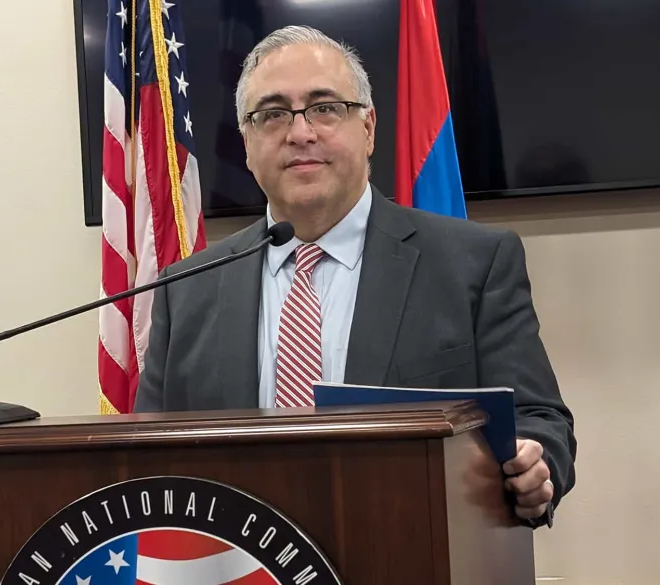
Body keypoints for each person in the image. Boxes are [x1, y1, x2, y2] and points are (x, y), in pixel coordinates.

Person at [134, 25, 576, 528]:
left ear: (368, 129)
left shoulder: (474, 264)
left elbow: (540, 421)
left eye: (325, 108)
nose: (300, 133)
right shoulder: (185, 290)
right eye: (273, 114)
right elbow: (148, 454)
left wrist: (536, 465)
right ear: (247, 145)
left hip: (411, 547)